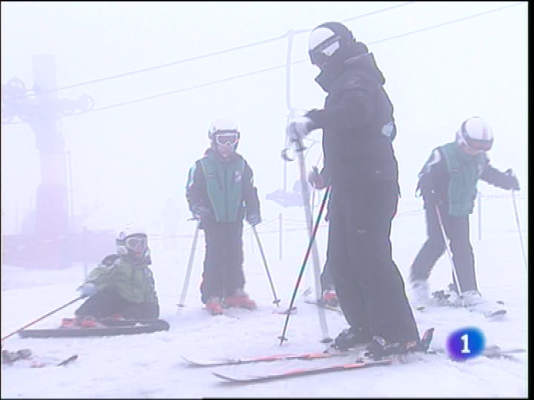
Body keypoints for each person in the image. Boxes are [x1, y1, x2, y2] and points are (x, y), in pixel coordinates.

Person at [286, 21, 421, 358]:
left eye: (320, 57)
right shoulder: (345, 82)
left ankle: (398, 333)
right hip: (349, 185)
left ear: (334, 49)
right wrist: (328, 173)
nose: (320, 65)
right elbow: (350, 139)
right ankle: (364, 325)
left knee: (370, 259)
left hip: (370, 185)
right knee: (342, 260)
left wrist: (312, 119)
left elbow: (354, 114)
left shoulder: (358, 79)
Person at [409, 116, 520, 309]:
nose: (475, 151)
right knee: (437, 243)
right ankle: (418, 278)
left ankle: (466, 289)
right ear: (461, 140)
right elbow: (425, 175)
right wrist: (429, 190)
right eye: (473, 146)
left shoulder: (479, 159)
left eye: (482, 148)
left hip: (461, 208)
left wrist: (506, 181)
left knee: (462, 248)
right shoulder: (443, 154)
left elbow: (488, 173)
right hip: (440, 205)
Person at [186, 118, 262, 316]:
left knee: (235, 255)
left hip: (234, 217)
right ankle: (212, 294)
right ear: (213, 141)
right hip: (213, 218)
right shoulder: (202, 166)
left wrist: (253, 210)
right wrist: (197, 207)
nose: (227, 145)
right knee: (215, 255)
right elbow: (192, 191)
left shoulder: (242, 165)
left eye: (231, 140)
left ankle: (234, 291)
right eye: (222, 140)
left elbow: (249, 190)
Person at [63, 225, 160, 328]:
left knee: (145, 309)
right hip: (113, 302)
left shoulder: (145, 271)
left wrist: (152, 308)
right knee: (109, 292)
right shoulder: (116, 262)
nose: (138, 248)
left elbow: (150, 292)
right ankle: (85, 316)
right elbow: (99, 273)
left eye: (142, 244)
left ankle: (119, 318)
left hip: (130, 306)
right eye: (133, 243)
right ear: (123, 245)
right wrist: (90, 284)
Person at [308, 166, 338, 307]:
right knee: (338, 251)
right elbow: (328, 175)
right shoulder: (340, 149)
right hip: (340, 208)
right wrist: (319, 180)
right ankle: (329, 288)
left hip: (368, 206)